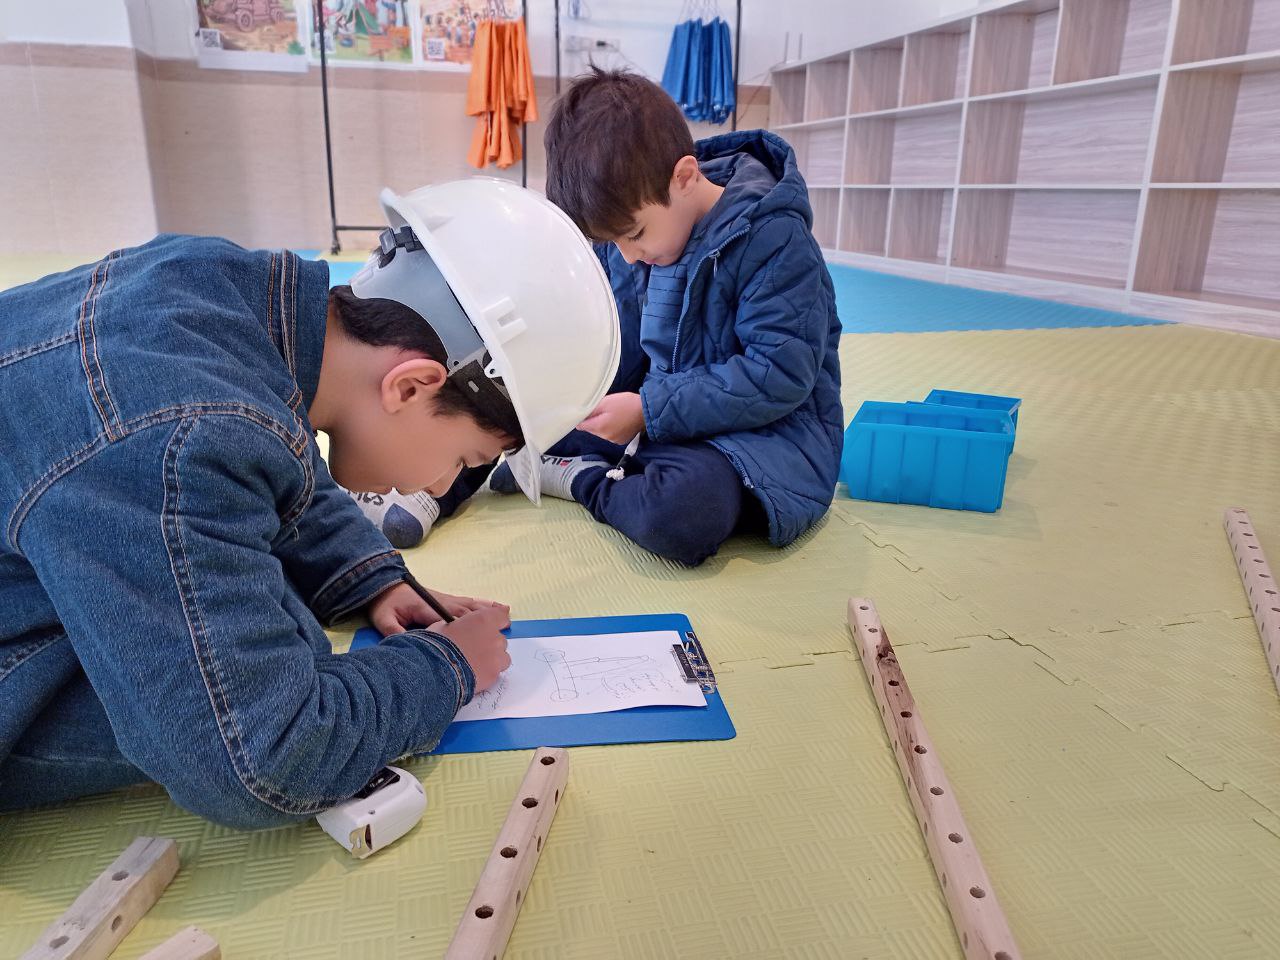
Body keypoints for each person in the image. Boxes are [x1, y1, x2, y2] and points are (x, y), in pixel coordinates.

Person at [0, 179, 619, 827]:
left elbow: (271, 448)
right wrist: (447, 668)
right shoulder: (182, 436)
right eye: (465, 459)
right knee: (287, 673)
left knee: (262, 624)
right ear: (411, 386)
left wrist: (370, 580)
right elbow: (264, 762)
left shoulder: (229, 296)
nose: (442, 487)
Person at [493, 67, 843, 566]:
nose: (627, 254)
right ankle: (433, 487)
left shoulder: (774, 238)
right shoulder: (638, 232)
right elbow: (619, 340)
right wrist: (567, 388)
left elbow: (780, 373)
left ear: (684, 176)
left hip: (761, 440)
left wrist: (647, 409)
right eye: (611, 241)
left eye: (634, 235)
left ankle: (579, 478)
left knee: (681, 512)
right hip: (661, 420)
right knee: (516, 410)